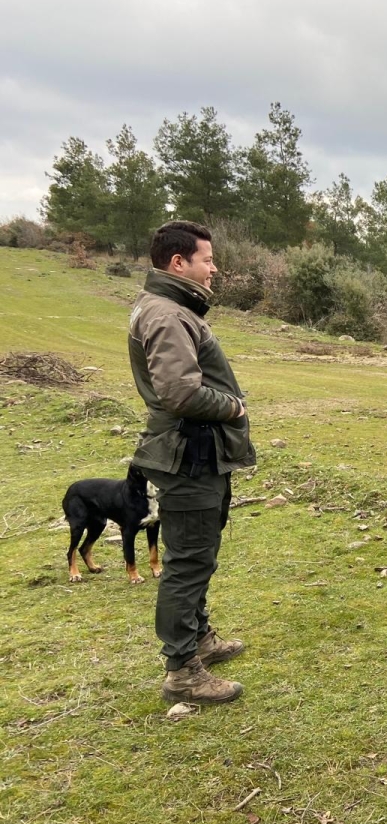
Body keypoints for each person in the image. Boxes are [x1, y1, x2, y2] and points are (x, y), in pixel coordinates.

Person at [128, 220, 255, 704]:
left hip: (199, 453)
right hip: (188, 454)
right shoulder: (165, 314)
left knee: (199, 554)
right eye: (207, 259)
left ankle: (199, 639)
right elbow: (180, 391)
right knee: (186, 563)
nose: (214, 268)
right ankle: (182, 669)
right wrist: (234, 406)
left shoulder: (172, 309)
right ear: (178, 263)